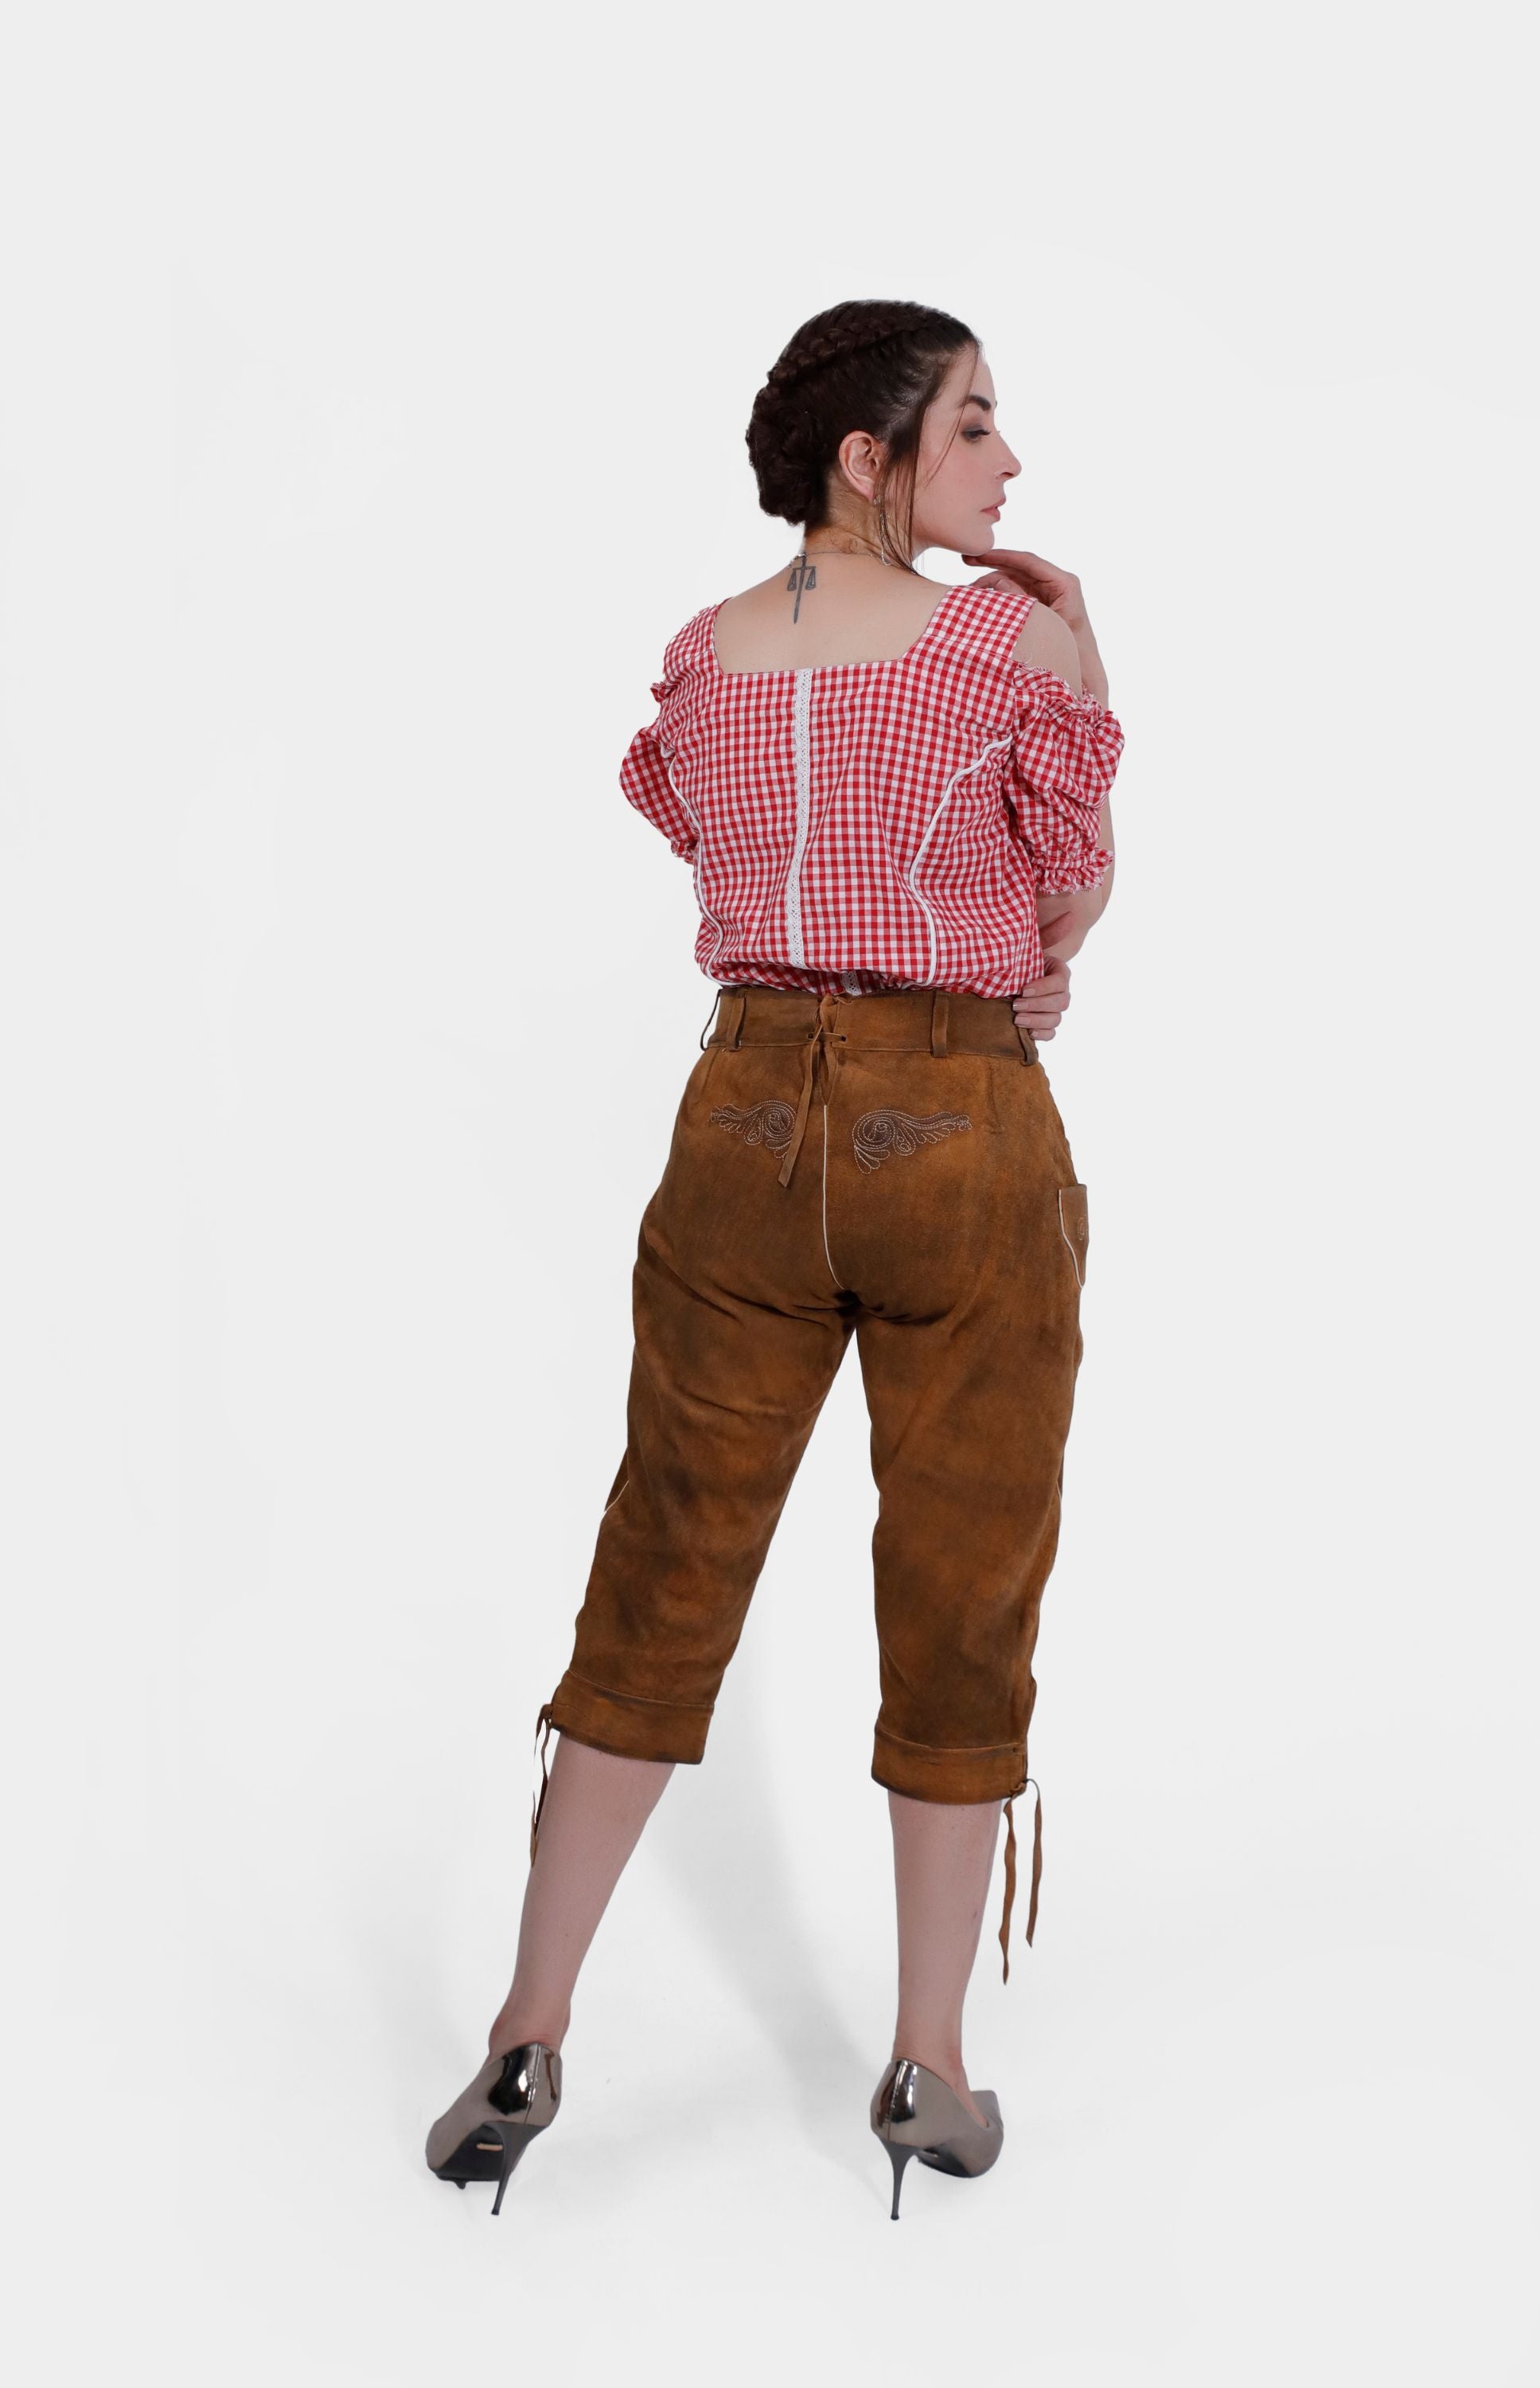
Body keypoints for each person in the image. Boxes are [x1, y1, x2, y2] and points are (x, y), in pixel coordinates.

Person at [425, 298, 1125, 2220]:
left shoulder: (700, 653)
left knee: (663, 1559)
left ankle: (525, 2028)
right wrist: (1079, 667)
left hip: (735, 1119)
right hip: (955, 1122)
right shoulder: (1003, 641)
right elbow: (1067, 892)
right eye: (971, 423)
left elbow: (723, 852)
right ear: (865, 456)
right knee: (962, 1575)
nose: (1007, 460)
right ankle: (928, 2065)